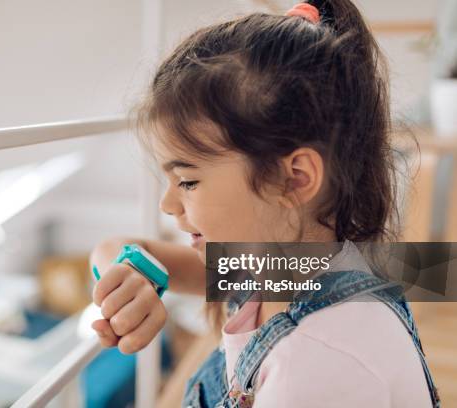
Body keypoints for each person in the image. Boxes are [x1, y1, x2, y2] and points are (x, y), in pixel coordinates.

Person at [89, 1, 440, 406]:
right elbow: (126, 248)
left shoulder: (315, 366)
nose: (168, 204)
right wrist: (131, 272)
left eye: (187, 181)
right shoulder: (281, 265)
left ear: (294, 179)